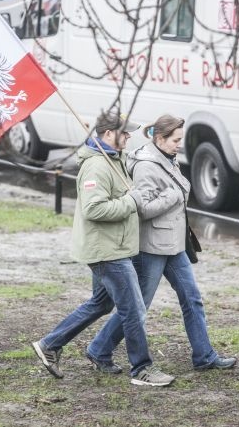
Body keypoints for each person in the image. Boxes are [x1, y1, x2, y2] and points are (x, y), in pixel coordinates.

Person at [32, 110, 175, 387]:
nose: (130, 136)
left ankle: (51, 344)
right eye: (125, 132)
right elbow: (94, 209)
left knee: (102, 302)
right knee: (134, 309)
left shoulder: (115, 158)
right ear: (108, 134)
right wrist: (131, 201)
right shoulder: (97, 166)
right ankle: (142, 369)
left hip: (114, 246)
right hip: (108, 251)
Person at [86, 114, 237, 372]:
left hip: (174, 244)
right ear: (159, 138)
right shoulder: (147, 165)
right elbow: (142, 208)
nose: (180, 144)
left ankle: (204, 356)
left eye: (180, 139)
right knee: (137, 307)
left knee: (192, 299)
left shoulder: (166, 156)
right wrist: (172, 195)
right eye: (176, 140)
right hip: (151, 247)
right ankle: (99, 349)